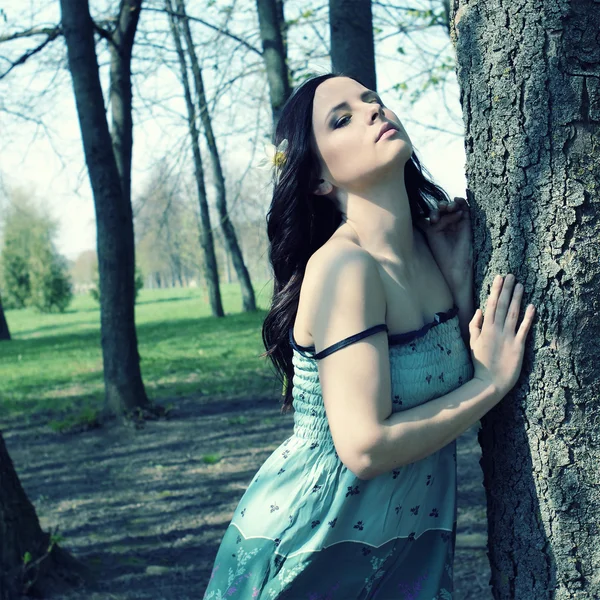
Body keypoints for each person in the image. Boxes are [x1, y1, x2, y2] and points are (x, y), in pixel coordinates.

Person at [202, 73, 536, 599]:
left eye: (372, 100)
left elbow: (433, 382)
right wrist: (491, 384)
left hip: (404, 544)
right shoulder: (344, 267)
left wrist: (458, 283)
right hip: (319, 547)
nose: (373, 112)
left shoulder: (430, 249)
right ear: (318, 180)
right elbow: (365, 446)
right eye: (342, 119)